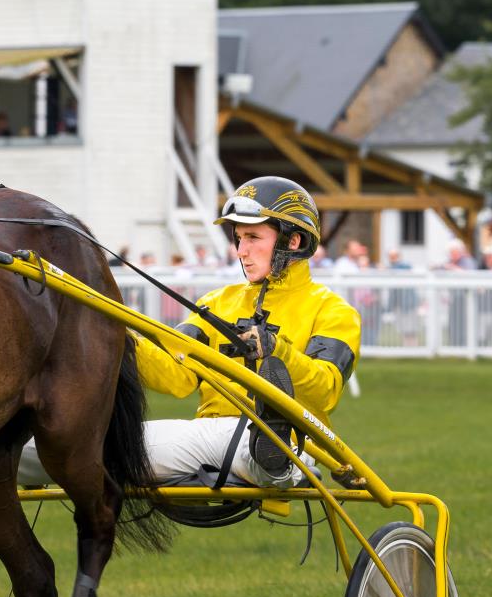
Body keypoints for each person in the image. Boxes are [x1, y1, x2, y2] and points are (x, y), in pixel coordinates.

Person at [20, 176, 361, 490]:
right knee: (44, 447)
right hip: (208, 435)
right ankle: (2, 453)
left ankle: (272, 455)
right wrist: (120, 336)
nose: (241, 251)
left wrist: (277, 351)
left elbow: (325, 390)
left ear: (294, 240)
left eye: (253, 238)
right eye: (239, 238)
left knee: (257, 446)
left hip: (291, 438)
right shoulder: (215, 303)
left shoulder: (335, 312)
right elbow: (177, 375)